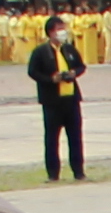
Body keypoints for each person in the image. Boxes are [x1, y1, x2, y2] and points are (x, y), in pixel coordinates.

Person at [28, 15, 92, 180]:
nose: (63, 32)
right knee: (52, 138)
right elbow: (33, 72)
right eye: (59, 29)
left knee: (75, 137)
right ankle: (53, 173)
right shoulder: (41, 52)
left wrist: (74, 73)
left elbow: (81, 66)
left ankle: (78, 171)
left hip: (71, 99)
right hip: (52, 101)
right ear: (50, 32)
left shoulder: (69, 49)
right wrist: (51, 79)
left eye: (63, 28)